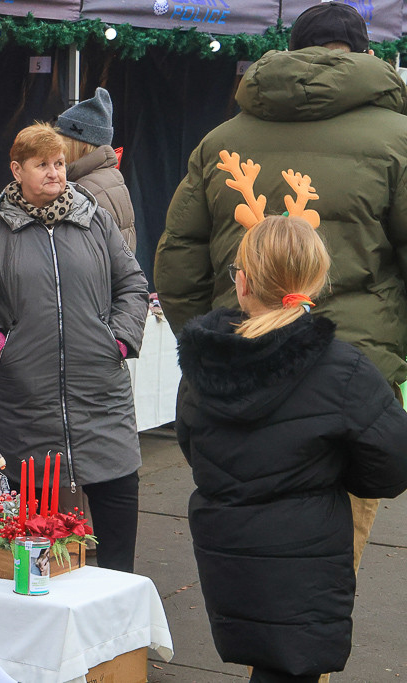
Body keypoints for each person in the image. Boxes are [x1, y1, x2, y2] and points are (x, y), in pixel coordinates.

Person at [155, 1, 407, 574]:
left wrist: (219, 344)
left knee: (252, 553)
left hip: (238, 377)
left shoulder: (220, 140)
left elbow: (178, 265)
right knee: (325, 572)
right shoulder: (399, 140)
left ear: (290, 52)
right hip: (350, 380)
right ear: (368, 55)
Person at [175, 214, 407, 683]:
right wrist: (337, 474)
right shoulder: (343, 368)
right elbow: (393, 463)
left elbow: (193, 445)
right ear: (315, 281)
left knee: (267, 663)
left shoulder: (203, 365)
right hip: (306, 550)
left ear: (242, 282)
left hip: (229, 545)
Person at [0, 122, 148, 573]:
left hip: (100, 398)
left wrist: (117, 340)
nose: (55, 173)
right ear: (17, 169)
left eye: (59, 163)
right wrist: (0, 347)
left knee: (118, 525)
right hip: (23, 404)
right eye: (42, 165)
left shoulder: (95, 220)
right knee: (29, 541)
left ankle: (121, 628)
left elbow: (133, 285)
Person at [56, 87, 137, 253]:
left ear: (83, 145)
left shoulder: (86, 189)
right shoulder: (106, 178)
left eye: (62, 141)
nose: (56, 148)